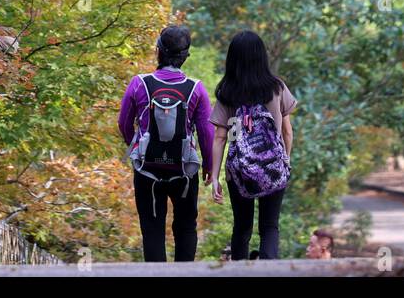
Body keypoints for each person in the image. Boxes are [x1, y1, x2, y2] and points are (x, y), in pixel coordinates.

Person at [119, 25, 213, 262]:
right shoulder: (196, 89)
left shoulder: (139, 83)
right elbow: (206, 133)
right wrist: (209, 167)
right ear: (185, 57)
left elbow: (124, 123)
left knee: (152, 230)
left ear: (158, 51)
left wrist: (137, 147)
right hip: (183, 171)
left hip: (147, 171)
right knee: (185, 228)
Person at [210, 30, 297, 260]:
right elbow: (288, 131)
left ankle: (240, 271)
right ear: (262, 57)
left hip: (238, 171)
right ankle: (269, 271)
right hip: (272, 167)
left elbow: (219, 137)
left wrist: (216, 176)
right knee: (269, 226)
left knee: (242, 227)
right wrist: (285, 160)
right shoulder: (276, 87)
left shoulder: (227, 91)